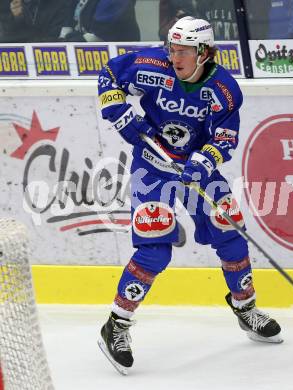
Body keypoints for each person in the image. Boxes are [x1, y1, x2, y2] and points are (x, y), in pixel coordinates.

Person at [97, 16, 282, 374]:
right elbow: (109, 75)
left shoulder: (224, 89)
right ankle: (116, 325)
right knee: (154, 249)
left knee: (231, 233)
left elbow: (224, 139)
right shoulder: (151, 65)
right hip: (152, 167)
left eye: (183, 51)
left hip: (197, 171)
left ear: (205, 52)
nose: (175, 57)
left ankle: (246, 310)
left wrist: (203, 162)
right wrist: (118, 112)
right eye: (172, 48)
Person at [59, 0, 140, 42]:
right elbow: (69, 19)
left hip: (117, 58)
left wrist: (68, 42)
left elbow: (99, 35)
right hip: (88, 53)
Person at [0, 0, 72, 42]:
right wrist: (17, 18)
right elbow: (5, 38)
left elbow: (54, 38)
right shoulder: (8, 4)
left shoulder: (60, 4)